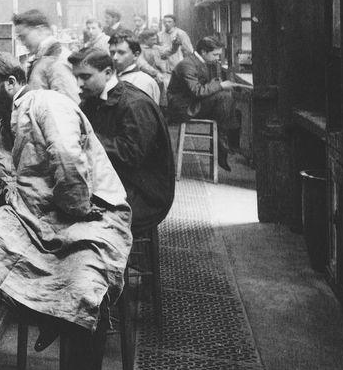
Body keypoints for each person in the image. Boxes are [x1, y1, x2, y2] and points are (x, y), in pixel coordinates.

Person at [0, 53, 132, 370]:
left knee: (83, 283)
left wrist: (75, 211)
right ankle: (48, 315)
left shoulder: (46, 104)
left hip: (91, 213)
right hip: (49, 218)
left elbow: (68, 159)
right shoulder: (7, 122)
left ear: (10, 84)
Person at [71, 48, 175, 235]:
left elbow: (131, 155)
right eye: (76, 77)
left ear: (108, 73)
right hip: (118, 180)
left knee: (70, 215)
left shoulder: (134, 104)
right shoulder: (92, 99)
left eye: (85, 76)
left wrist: (86, 140)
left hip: (145, 195)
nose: (79, 83)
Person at [167, 36, 238, 171]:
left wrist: (217, 83)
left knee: (227, 97)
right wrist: (220, 85)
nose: (218, 58)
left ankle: (222, 141)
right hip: (184, 107)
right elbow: (197, 91)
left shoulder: (205, 62)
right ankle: (221, 142)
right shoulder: (187, 64)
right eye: (215, 54)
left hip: (193, 102)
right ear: (204, 52)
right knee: (224, 97)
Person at [12, 8, 79, 100]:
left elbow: (68, 102)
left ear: (40, 30)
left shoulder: (57, 59)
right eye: (19, 38)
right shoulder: (44, 57)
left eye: (24, 36)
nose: (22, 42)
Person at [108, 32, 162, 106]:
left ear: (136, 55)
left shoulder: (144, 82)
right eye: (112, 52)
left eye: (121, 52)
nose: (115, 57)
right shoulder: (108, 78)